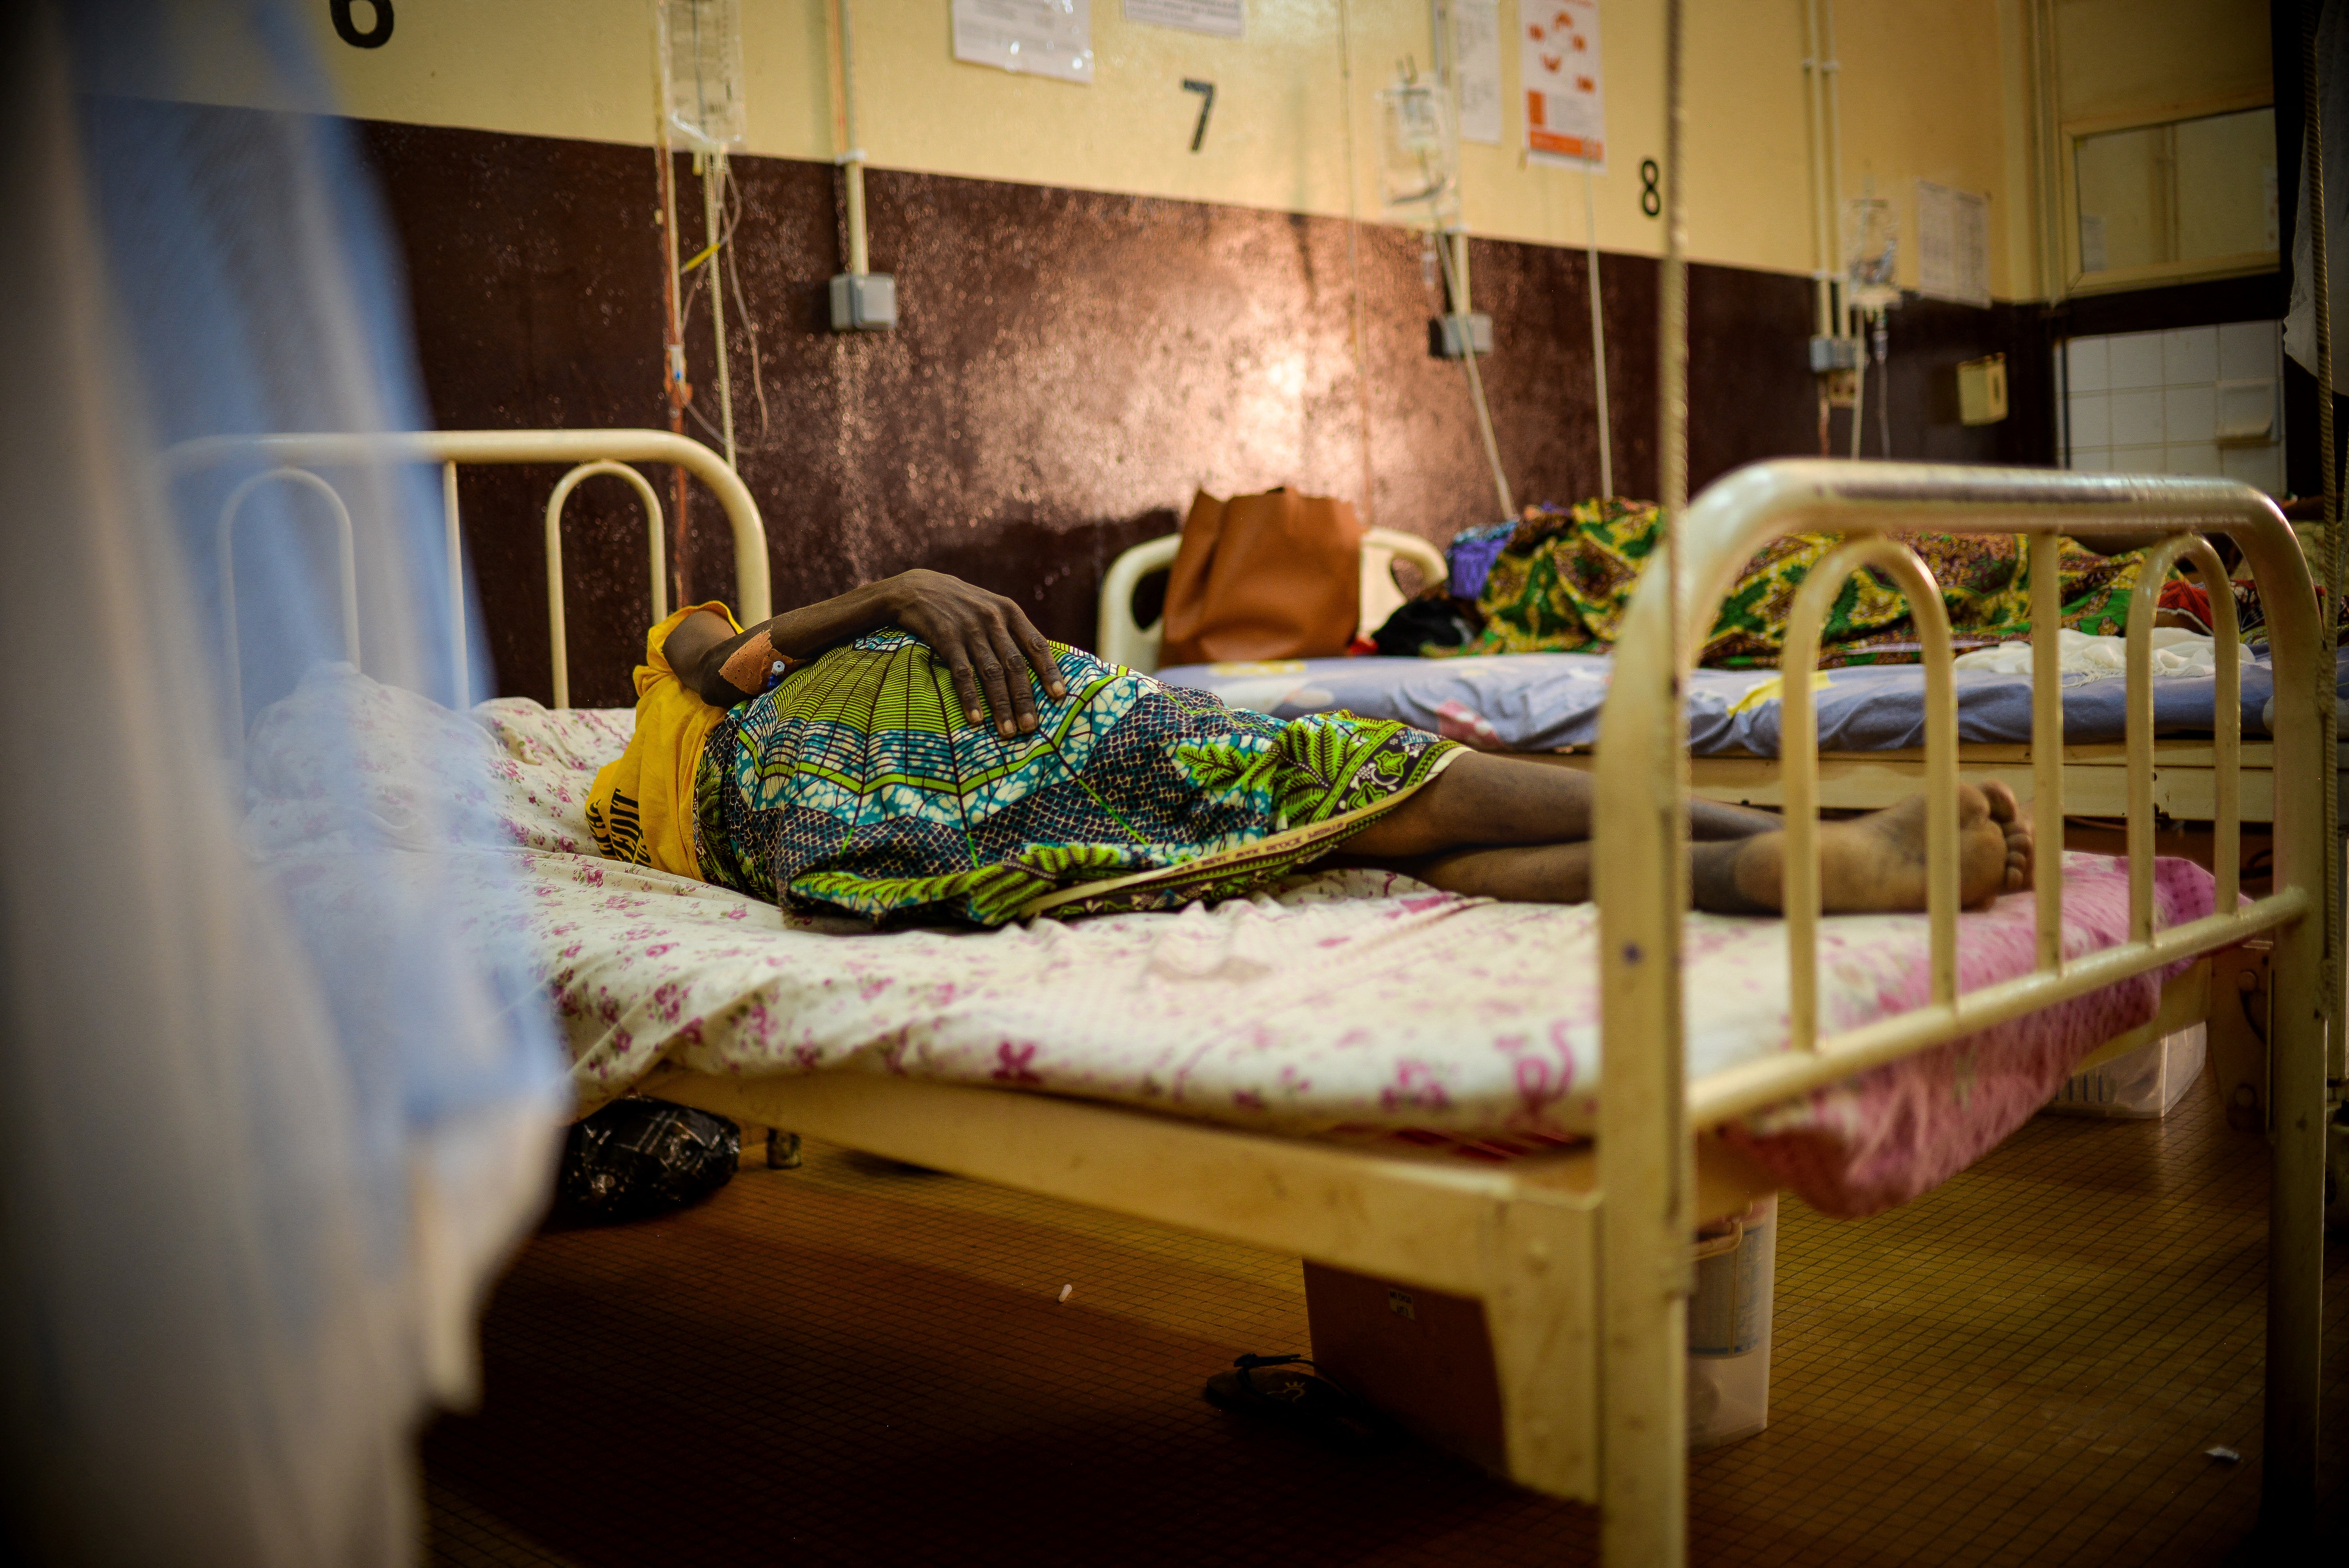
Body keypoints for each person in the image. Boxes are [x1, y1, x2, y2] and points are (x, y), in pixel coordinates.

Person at [585, 569, 2033, 927]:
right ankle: (1773, 836)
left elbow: (740, 667)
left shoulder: (656, 744)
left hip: (938, 750)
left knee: (1348, 816)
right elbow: (737, 660)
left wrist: (900, 605)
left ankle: (1771, 860)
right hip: (919, 754)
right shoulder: (673, 691)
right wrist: (891, 593)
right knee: (1326, 785)